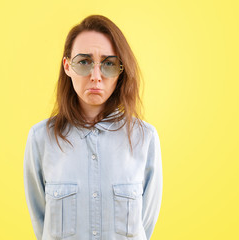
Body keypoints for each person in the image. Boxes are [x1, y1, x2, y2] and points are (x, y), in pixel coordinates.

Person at [23, 14, 163, 240]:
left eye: (108, 64)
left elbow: (145, 224)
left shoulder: (144, 138)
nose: (96, 76)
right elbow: (41, 221)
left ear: (121, 70)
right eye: (84, 62)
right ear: (68, 66)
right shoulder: (41, 139)